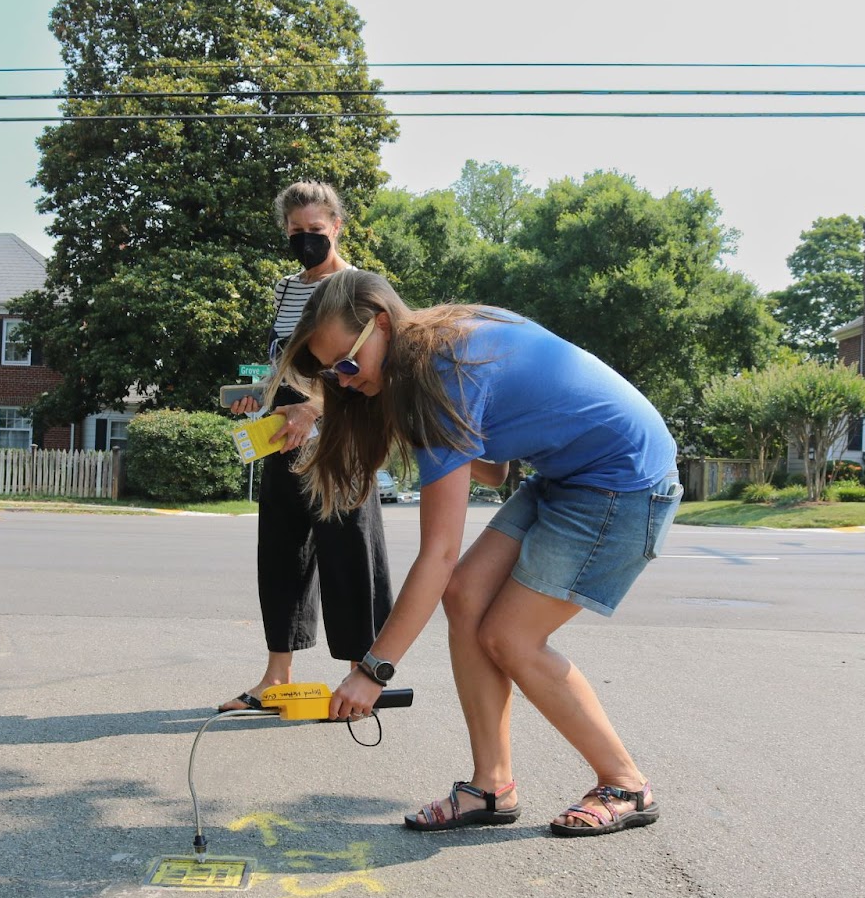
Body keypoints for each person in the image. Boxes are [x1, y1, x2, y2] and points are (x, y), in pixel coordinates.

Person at [273, 268, 682, 837]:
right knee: (466, 597)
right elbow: (497, 469)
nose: (341, 382)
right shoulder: (434, 349)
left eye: (346, 364)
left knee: (510, 637)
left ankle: (625, 784)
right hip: (569, 475)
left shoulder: (441, 375)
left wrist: (373, 671)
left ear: (382, 325)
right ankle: (491, 786)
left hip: (625, 482)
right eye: (329, 374)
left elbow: (437, 555)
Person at [218, 183, 394, 712]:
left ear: (337, 227)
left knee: (349, 556)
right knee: (281, 554)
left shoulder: (360, 287)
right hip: (282, 437)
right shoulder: (284, 289)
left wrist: (314, 408)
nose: (305, 241)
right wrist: (259, 398)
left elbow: (373, 365)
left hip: (341, 433)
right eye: (296, 233)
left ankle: (360, 680)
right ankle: (276, 677)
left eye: (315, 232)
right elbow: (284, 362)